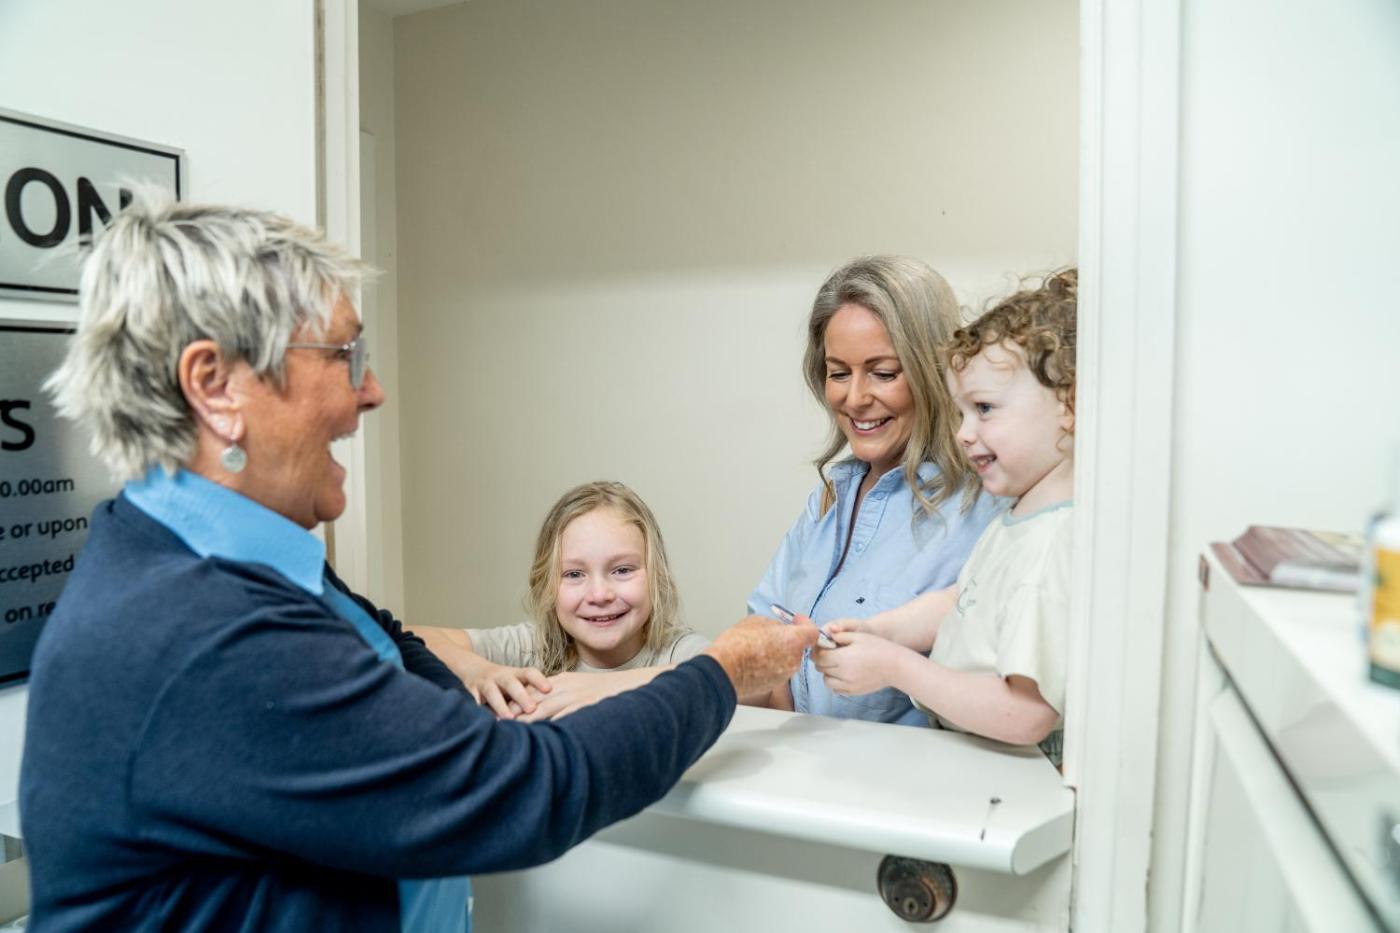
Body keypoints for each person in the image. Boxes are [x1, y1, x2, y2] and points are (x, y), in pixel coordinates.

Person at [18, 197, 816, 932]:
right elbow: (530, 788)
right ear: (216, 384)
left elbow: (394, 649)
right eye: (344, 355)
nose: (371, 390)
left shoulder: (244, 560)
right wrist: (723, 670)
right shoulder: (203, 629)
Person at [814, 269, 1077, 764]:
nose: (963, 433)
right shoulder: (1021, 519)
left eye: (984, 408)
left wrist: (896, 667)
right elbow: (963, 602)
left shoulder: (1051, 548)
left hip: (1010, 780)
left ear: (1069, 405)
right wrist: (883, 631)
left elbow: (1026, 714)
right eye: (962, 413)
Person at [747, 255, 1003, 724]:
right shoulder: (829, 500)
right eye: (838, 373)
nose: (855, 398)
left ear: (933, 371)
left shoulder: (983, 507)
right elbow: (763, 634)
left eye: (883, 373)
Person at [413, 481, 708, 721]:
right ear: (547, 585)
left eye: (622, 570)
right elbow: (412, 638)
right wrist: (479, 671)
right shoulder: (533, 649)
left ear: (656, 576)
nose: (599, 595)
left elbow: (723, 673)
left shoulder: (677, 652)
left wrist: (602, 687)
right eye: (574, 574)